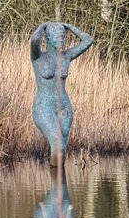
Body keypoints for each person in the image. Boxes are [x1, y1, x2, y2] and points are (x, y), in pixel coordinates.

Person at [30, 22, 93, 166]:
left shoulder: (66, 56)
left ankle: (58, 181)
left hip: (64, 104)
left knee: (63, 145)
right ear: (48, 38)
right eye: (57, 36)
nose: (61, 39)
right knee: (57, 142)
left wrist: (70, 27)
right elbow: (34, 40)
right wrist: (42, 26)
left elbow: (88, 40)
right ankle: (56, 180)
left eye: (63, 36)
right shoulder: (38, 57)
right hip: (44, 105)